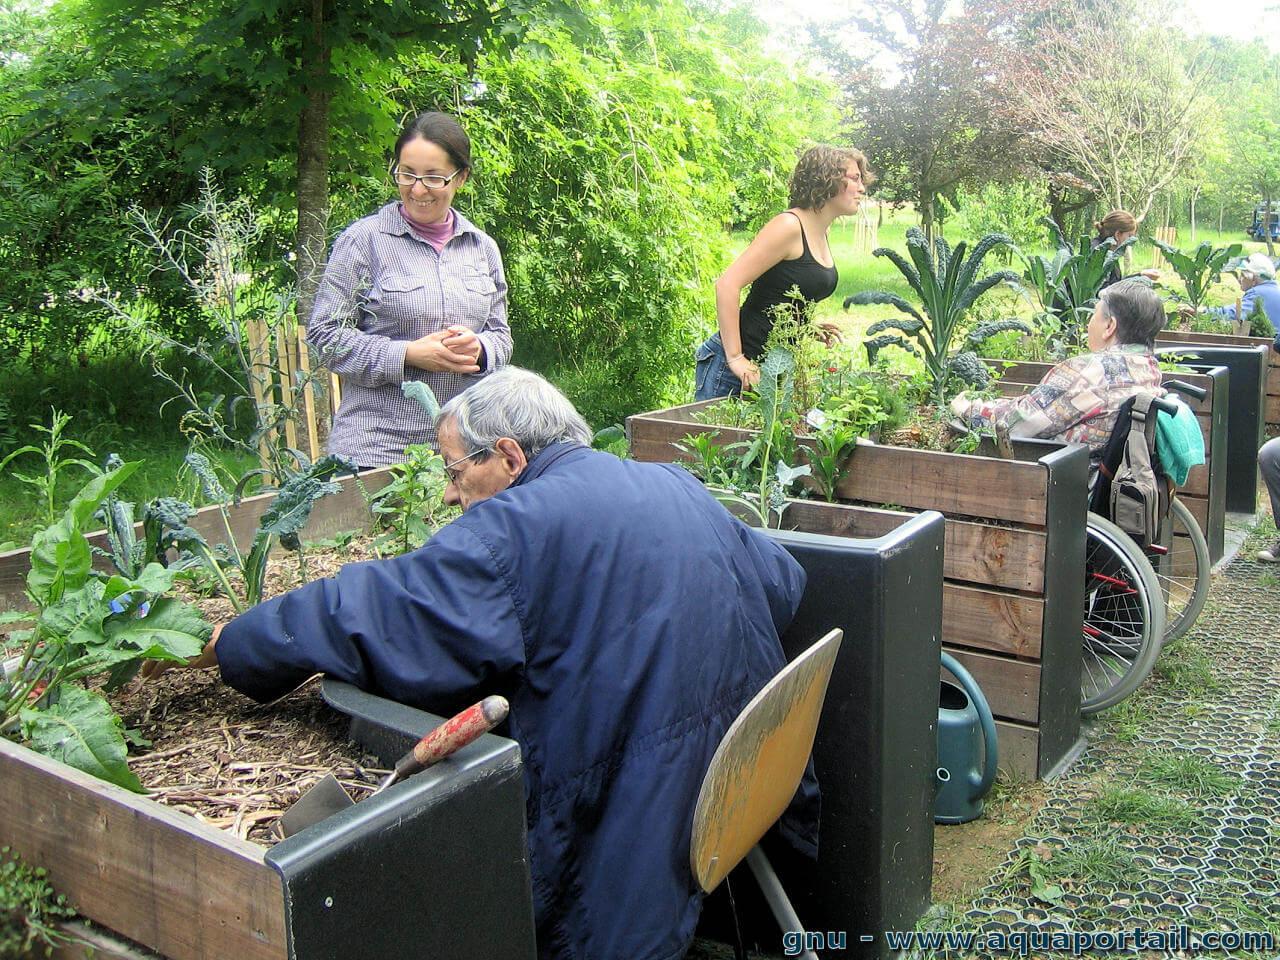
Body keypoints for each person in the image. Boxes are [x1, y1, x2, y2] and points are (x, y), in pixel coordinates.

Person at [153, 367, 817, 960]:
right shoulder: (671, 480)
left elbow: (369, 610)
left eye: (453, 471)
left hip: (638, 834)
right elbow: (782, 584)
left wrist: (224, 641)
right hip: (748, 780)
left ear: (508, 456)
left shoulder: (520, 527)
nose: (448, 495)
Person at [307, 111, 512, 468]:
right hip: (376, 452)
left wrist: (480, 349)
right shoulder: (363, 241)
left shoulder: (482, 248)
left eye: (434, 178)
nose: (417, 189)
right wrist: (406, 355)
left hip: (464, 452)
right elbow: (326, 336)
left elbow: (501, 336)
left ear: (460, 177)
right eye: (407, 174)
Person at [695, 145, 873, 400]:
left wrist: (802, 326)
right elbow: (727, 285)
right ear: (827, 178)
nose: (862, 188)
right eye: (854, 179)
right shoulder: (789, 226)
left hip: (771, 370)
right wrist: (735, 358)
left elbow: (779, 289)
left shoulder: (821, 231)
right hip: (734, 371)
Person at [951, 279, 1165, 457]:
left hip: (1062, 486)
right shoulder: (1148, 369)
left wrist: (969, 410)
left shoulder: (1092, 371)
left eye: (1094, 314)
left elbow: (1020, 423)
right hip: (1108, 484)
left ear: (1109, 326)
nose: (1089, 323)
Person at [1198, 253, 1280, 334]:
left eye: (1242, 275)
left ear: (1252, 278)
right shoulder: (1275, 290)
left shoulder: (1257, 293)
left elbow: (1233, 314)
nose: (1240, 279)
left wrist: (1203, 311)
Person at [1093, 210, 1161, 288]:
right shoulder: (1098, 255)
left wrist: (1141, 275)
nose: (1130, 242)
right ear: (1118, 234)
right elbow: (1105, 291)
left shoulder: (1109, 251)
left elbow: (1115, 284)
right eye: (1129, 236)